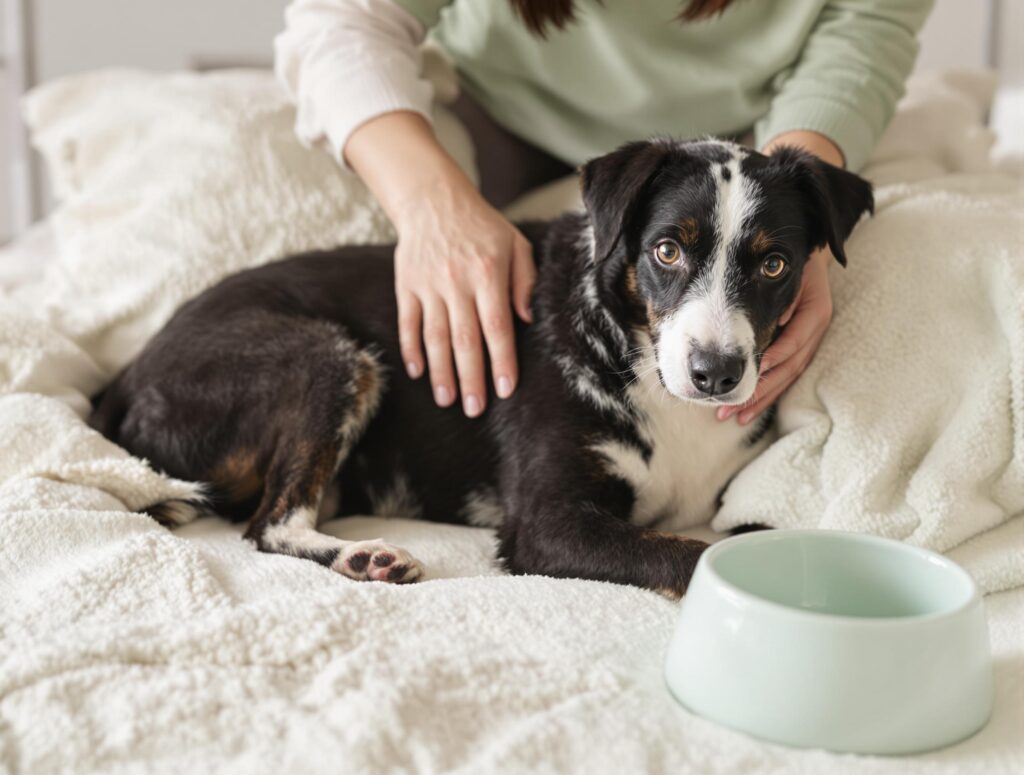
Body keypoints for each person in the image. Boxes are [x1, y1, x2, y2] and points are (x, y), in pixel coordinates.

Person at [276, 0, 933, 422]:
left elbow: (865, 31)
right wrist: (429, 205)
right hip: (484, 110)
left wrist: (794, 215)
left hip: (749, 140)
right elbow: (340, 21)